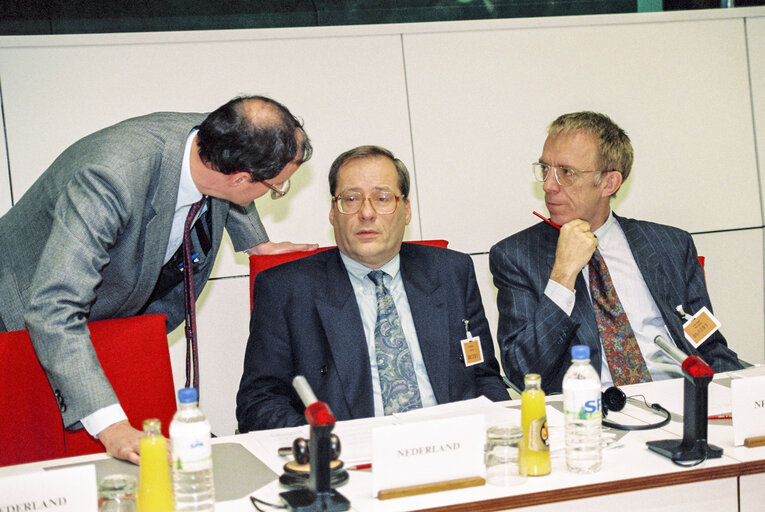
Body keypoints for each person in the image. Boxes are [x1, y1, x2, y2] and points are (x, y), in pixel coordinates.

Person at [0, 95, 317, 463]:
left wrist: (256, 244)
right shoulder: (109, 178)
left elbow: (237, 180)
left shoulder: (217, 135)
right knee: (35, 450)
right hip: (19, 304)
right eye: (276, 187)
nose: (274, 193)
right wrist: (111, 426)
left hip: (106, 307)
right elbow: (52, 310)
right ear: (241, 178)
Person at [236, 145, 508, 431]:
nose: (366, 212)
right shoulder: (286, 289)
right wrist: (324, 444)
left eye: (382, 198)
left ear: (406, 210)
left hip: (451, 444)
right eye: (351, 199)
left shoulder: (451, 272)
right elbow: (259, 402)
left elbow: (484, 376)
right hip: (348, 457)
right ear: (333, 212)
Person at [489, 111, 743, 394]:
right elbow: (523, 371)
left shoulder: (671, 244)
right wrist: (563, 275)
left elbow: (708, 343)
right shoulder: (516, 256)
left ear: (609, 183)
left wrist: (744, 395)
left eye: (566, 173)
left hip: (680, 398)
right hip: (589, 415)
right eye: (545, 169)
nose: (549, 185)